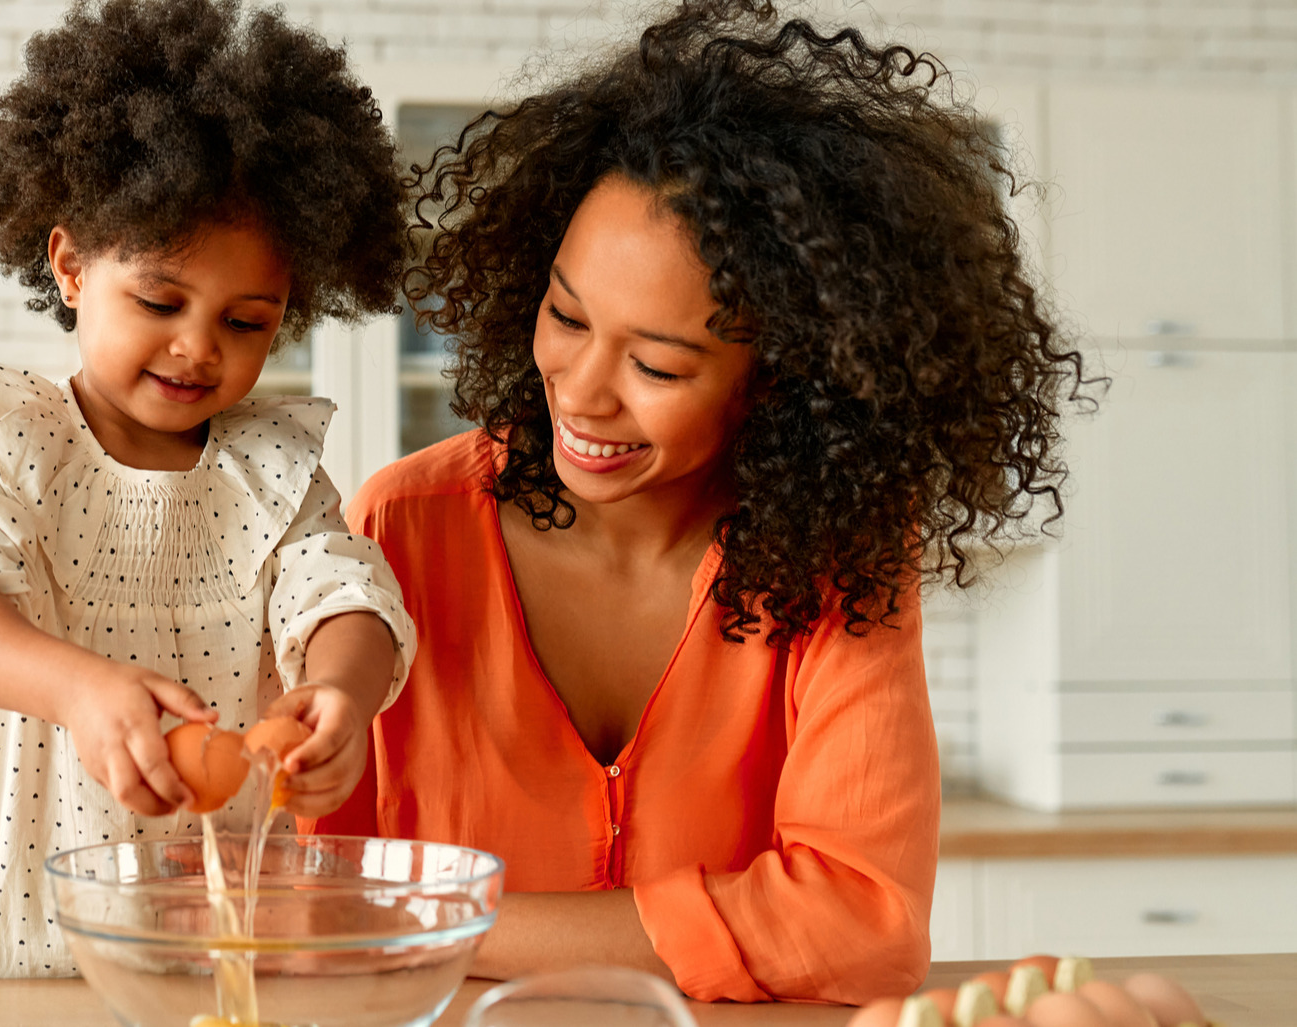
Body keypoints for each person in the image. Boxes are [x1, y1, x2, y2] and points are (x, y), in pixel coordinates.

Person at [303, 0, 1091, 1005]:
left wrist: (446, 916)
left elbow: (864, 926)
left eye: (660, 364)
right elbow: (319, 892)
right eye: (566, 314)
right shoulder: (405, 525)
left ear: (783, 376)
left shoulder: (838, 559)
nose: (581, 391)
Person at [0, 0, 415, 980]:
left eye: (248, 321)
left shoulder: (273, 469)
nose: (199, 346)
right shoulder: (13, 436)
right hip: (20, 936)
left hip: (224, 943)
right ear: (72, 264)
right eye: (161, 301)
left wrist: (338, 692)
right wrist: (79, 689)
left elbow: (347, 596)